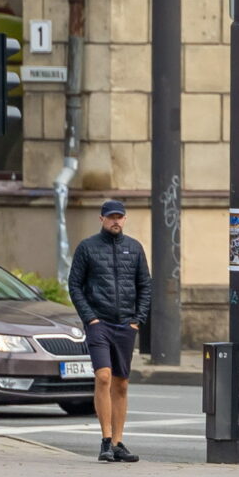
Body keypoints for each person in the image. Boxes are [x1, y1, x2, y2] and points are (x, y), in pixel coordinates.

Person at [67, 198, 151, 462]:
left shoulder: (134, 248)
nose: (116, 221)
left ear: (125, 219)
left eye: (120, 217)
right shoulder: (87, 248)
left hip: (126, 324)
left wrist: (137, 319)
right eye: (111, 217)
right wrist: (90, 318)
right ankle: (105, 440)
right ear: (101, 219)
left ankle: (117, 442)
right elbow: (75, 285)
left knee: (122, 383)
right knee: (103, 376)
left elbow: (145, 286)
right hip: (99, 324)